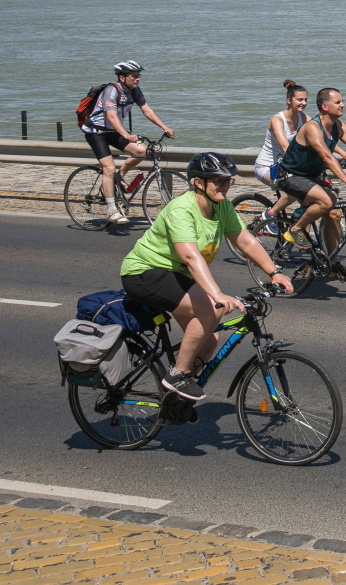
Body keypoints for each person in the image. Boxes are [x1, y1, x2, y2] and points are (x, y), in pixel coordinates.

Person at [118, 153, 292, 401]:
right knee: (211, 310)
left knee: (209, 339)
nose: (225, 185)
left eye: (228, 181)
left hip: (176, 274)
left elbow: (244, 239)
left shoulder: (222, 207)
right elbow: (190, 257)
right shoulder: (181, 209)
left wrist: (274, 272)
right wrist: (217, 294)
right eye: (218, 181)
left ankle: (178, 397)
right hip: (145, 273)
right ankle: (177, 375)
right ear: (199, 183)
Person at [274, 87, 346, 266]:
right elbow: (327, 157)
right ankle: (295, 229)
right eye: (338, 102)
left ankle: (332, 263)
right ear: (324, 106)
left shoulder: (340, 126)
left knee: (334, 214)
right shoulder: (312, 128)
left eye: (342, 101)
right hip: (290, 176)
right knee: (328, 201)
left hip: (311, 177)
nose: (343, 105)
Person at [80, 61, 175, 226]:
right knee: (108, 168)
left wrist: (165, 127)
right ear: (122, 77)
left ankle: (121, 173)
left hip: (114, 131)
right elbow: (111, 116)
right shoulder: (111, 91)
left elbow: (146, 110)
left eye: (139, 76)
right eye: (134, 76)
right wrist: (126, 134)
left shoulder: (135, 91)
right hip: (96, 132)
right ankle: (111, 210)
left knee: (142, 151)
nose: (138, 79)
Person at [253, 80, 309, 221]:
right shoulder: (277, 120)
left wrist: (339, 152)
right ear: (289, 101)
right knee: (298, 188)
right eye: (299, 99)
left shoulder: (303, 117)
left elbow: (318, 134)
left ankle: (299, 236)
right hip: (267, 167)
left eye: (306, 100)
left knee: (309, 205)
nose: (303, 103)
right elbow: (285, 147)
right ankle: (269, 215)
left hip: (286, 168)